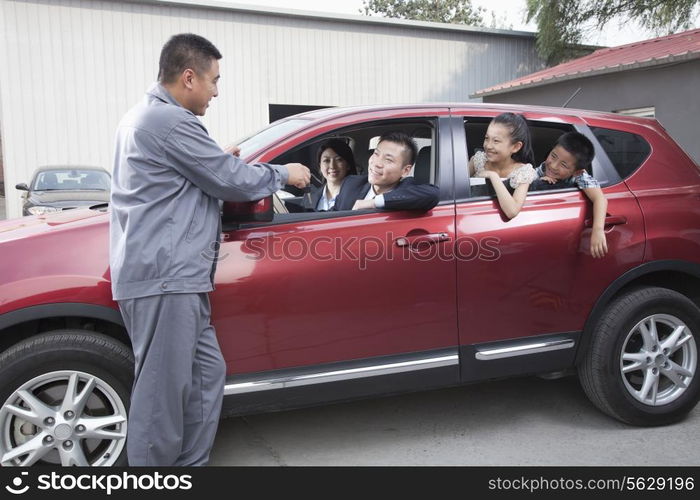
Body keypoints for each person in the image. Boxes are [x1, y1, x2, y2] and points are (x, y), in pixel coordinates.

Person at [109, 33, 310, 466]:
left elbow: (190, 177)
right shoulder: (171, 122)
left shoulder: (144, 118)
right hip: (166, 277)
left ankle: (189, 468)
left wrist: (217, 160)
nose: (217, 91)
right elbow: (231, 180)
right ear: (188, 78)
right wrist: (284, 173)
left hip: (176, 276)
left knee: (204, 376)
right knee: (162, 394)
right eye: (214, 81)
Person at [533, 131, 608, 258]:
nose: (553, 165)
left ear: (576, 172)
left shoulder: (580, 176)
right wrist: (538, 183)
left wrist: (598, 230)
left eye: (563, 165)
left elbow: (600, 199)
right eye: (553, 156)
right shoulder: (543, 168)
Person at [333, 131, 439, 211]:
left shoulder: (408, 189)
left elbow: (433, 194)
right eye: (376, 154)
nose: (377, 163)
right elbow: (331, 216)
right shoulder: (351, 184)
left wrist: (374, 202)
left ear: (405, 170)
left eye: (388, 160)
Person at [469, 113, 536, 219]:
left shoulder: (523, 172)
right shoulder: (478, 160)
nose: (488, 146)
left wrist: (493, 176)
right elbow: (453, 188)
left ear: (515, 147)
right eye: (487, 138)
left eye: (496, 141)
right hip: (473, 217)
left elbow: (512, 211)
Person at [313, 139, 358, 211]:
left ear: (348, 165)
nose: (332, 166)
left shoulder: (359, 194)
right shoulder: (311, 198)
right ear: (320, 166)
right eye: (326, 161)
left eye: (339, 160)